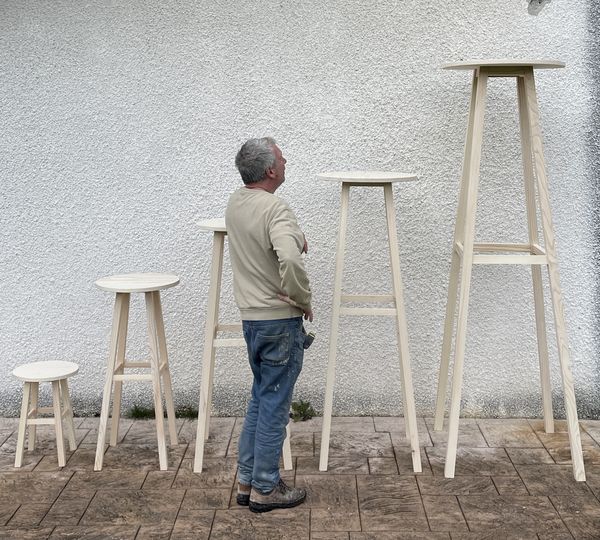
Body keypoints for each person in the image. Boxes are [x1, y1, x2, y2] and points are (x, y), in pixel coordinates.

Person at [225, 137, 313, 513]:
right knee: (275, 406)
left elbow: (264, 242)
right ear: (271, 170)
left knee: (260, 400)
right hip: (279, 321)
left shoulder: (236, 203)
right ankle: (265, 487)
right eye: (281, 156)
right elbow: (289, 260)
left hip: (252, 320)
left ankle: (247, 481)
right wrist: (302, 299)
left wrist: (294, 237)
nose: (286, 159)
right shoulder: (276, 208)